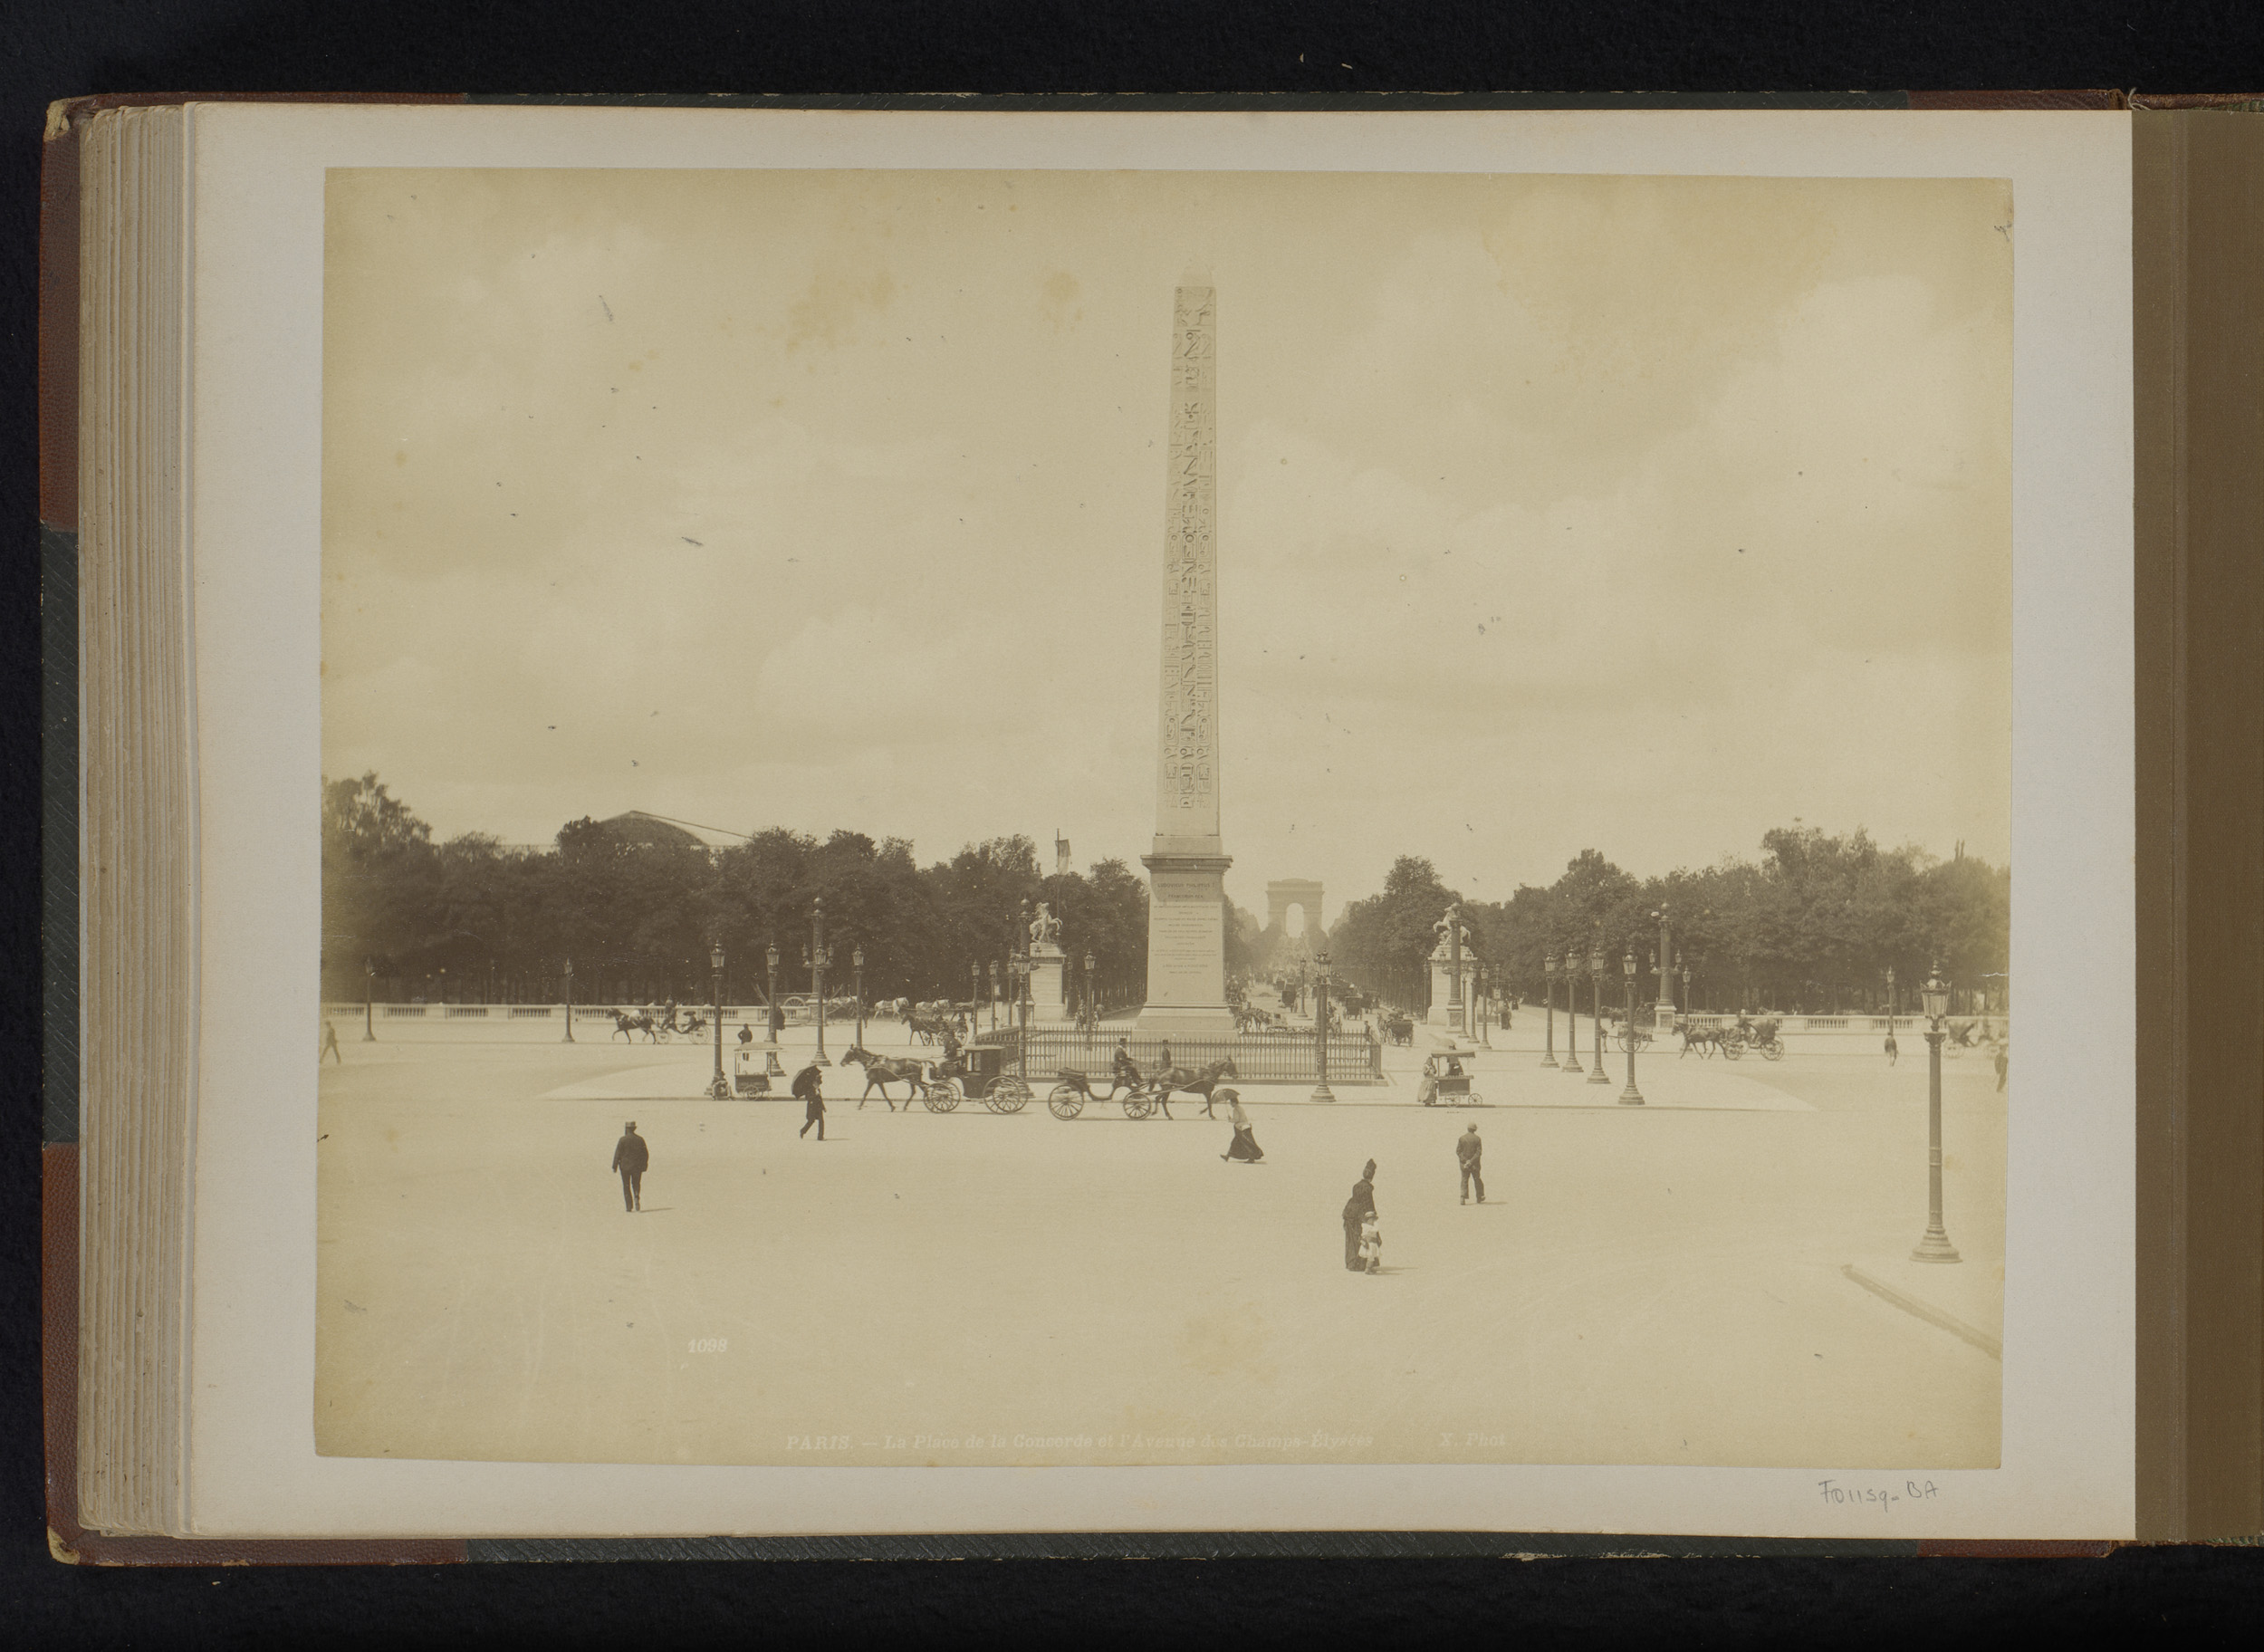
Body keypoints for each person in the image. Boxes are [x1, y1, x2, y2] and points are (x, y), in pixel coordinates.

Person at [1342, 1159, 1377, 1271]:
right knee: (1364, 1237)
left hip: (1349, 1212)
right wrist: (1372, 1215)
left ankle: (1352, 1263)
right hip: (1358, 1215)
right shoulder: (1367, 1188)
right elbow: (1368, 1204)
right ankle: (1361, 1264)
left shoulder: (1356, 1186)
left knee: (1352, 1239)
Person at [611, 1121, 648, 1212]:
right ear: (634, 1129)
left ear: (626, 1129)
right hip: (637, 1167)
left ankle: (629, 1206)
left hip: (625, 1167)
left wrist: (614, 1166)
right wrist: (644, 1165)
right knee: (636, 1183)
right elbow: (645, 1154)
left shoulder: (622, 1140)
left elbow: (618, 1153)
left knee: (626, 1185)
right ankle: (636, 1196)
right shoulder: (640, 1139)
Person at [1221, 1090, 1262, 1163]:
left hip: (1240, 1129)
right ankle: (1227, 1156)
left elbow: (1236, 1120)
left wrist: (1230, 1120)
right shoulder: (1240, 1107)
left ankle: (1251, 1158)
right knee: (1236, 1143)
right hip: (1245, 1126)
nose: (1230, 1104)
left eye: (1231, 1103)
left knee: (1246, 1143)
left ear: (1234, 1102)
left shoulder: (1235, 1110)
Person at [794, 1061, 826, 1139]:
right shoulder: (809, 1089)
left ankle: (820, 1137)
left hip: (818, 1107)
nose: (818, 1085)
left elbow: (820, 1099)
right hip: (812, 1106)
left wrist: (823, 1107)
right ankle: (803, 1131)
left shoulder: (817, 1089)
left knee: (821, 1121)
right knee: (811, 1121)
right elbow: (809, 1098)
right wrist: (815, 1095)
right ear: (813, 1083)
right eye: (817, 1083)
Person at [1457, 1122, 1485, 1205]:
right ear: (1475, 1130)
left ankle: (1462, 1197)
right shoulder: (1478, 1139)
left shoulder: (1462, 1138)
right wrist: (1471, 1161)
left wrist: (1466, 1161)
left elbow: (1458, 1151)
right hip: (1475, 1164)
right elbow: (1478, 1153)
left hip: (1464, 1164)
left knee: (1464, 1179)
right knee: (1477, 1179)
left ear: (1468, 1129)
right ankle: (1479, 1197)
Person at [1358, 1209, 1383, 1273]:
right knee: (1370, 1256)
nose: (1372, 1221)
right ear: (1367, 1220)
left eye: (1373, 1220)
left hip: (1373, 1243)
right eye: (1370, 1220)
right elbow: (1376, 1229)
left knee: (1372, 1257)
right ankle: (1368, 1269)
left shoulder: (1371, 1226)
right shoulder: (1367, 1227)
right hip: (1369, 1244)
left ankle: (1370, 1268)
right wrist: (1376, 1223)